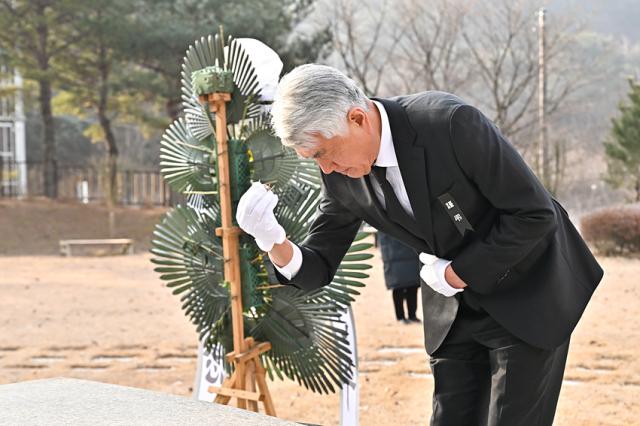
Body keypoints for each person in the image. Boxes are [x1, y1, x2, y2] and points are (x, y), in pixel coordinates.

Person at [235, 64, 604, 425]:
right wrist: (273, 239)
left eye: (323, 153)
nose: (326, 169)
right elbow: (318, 266)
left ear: (357, 119)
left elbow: (534, 214)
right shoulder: (341, 175)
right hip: (454, 310)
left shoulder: (449, 124)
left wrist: (458, 272)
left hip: (526, 291)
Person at [377, 231, 421, 324]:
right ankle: (400, 316)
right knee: (398, 287)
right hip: (393, 255)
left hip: (410, 253)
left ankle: (412, 315)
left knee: (412, 286)